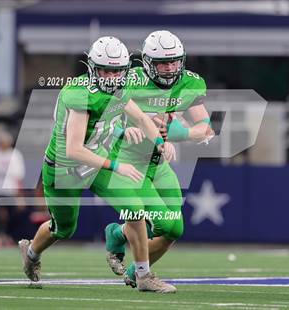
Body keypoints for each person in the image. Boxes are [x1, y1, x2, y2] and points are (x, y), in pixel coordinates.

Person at [18, 36, 177, 293]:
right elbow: (75, 149)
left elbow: (141, 117)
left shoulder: (120, 88)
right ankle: (32, 253)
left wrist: (159, 142)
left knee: (134, 208)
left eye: (117, 70)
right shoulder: (79, 94)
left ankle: (144, 276)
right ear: (92, 67)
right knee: (64, 228)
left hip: (95, 168)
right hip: (64, 170)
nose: (112, 76)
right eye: (106, 70)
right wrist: (116, 165)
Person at [104, 30, 215, 289]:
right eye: (163, 62)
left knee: (174, 230)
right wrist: (123, 128)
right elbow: (102, 115)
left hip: (158, 163)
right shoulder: (129, 80)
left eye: (174, 61)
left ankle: (129, 257)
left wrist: (183, 133)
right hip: (128, 161)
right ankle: (140, 269)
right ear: (147, 63)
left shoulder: (188, 83)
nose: (170, 68)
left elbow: (206, 129)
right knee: (160, 222)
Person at [0, 130, 26, 247]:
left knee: (12, 215)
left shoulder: (16, 154)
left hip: (11, 190)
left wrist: (20, 195)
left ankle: (8, 237)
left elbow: (19, 173)